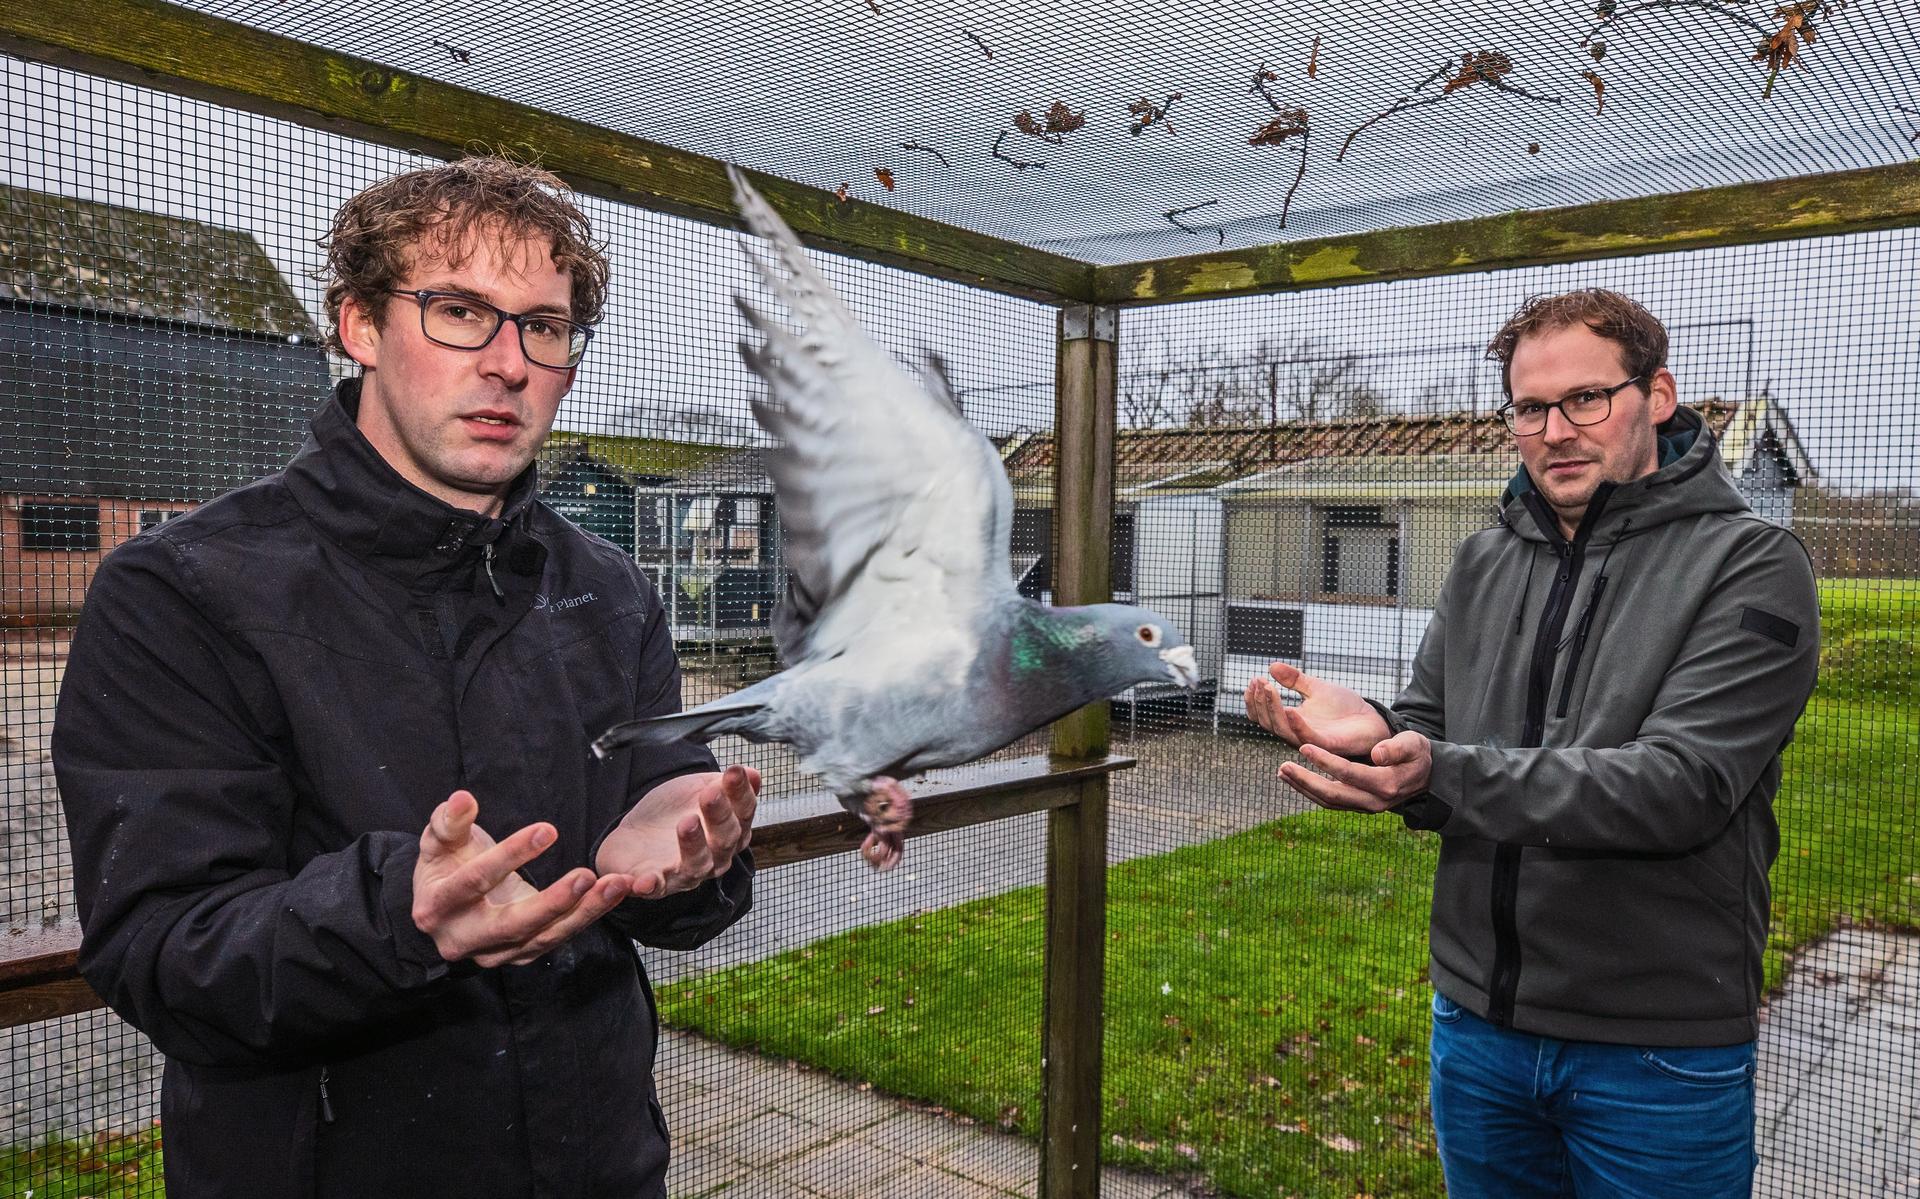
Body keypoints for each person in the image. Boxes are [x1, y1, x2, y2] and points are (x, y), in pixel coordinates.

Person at [52, 156, 758, 1198]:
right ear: (360, 326)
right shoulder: (184, 591)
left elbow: (667, 810)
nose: (510, 363)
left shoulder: (607, 588)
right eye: (461, 311)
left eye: (545, 326)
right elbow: (162, 952)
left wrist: (692, 853)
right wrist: (399, 915)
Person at [1244, 289, 1819, 1197]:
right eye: (1528, 408)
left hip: (1654, 1052)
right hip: (1477, 1029)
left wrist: (1439, 769)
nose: (1555, 429)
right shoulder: (1485, 558)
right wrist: (1381, 741)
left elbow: (1681, 786)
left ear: (1658, 395)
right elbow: (1433, 729)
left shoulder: (1751, 563)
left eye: (1586, 398)